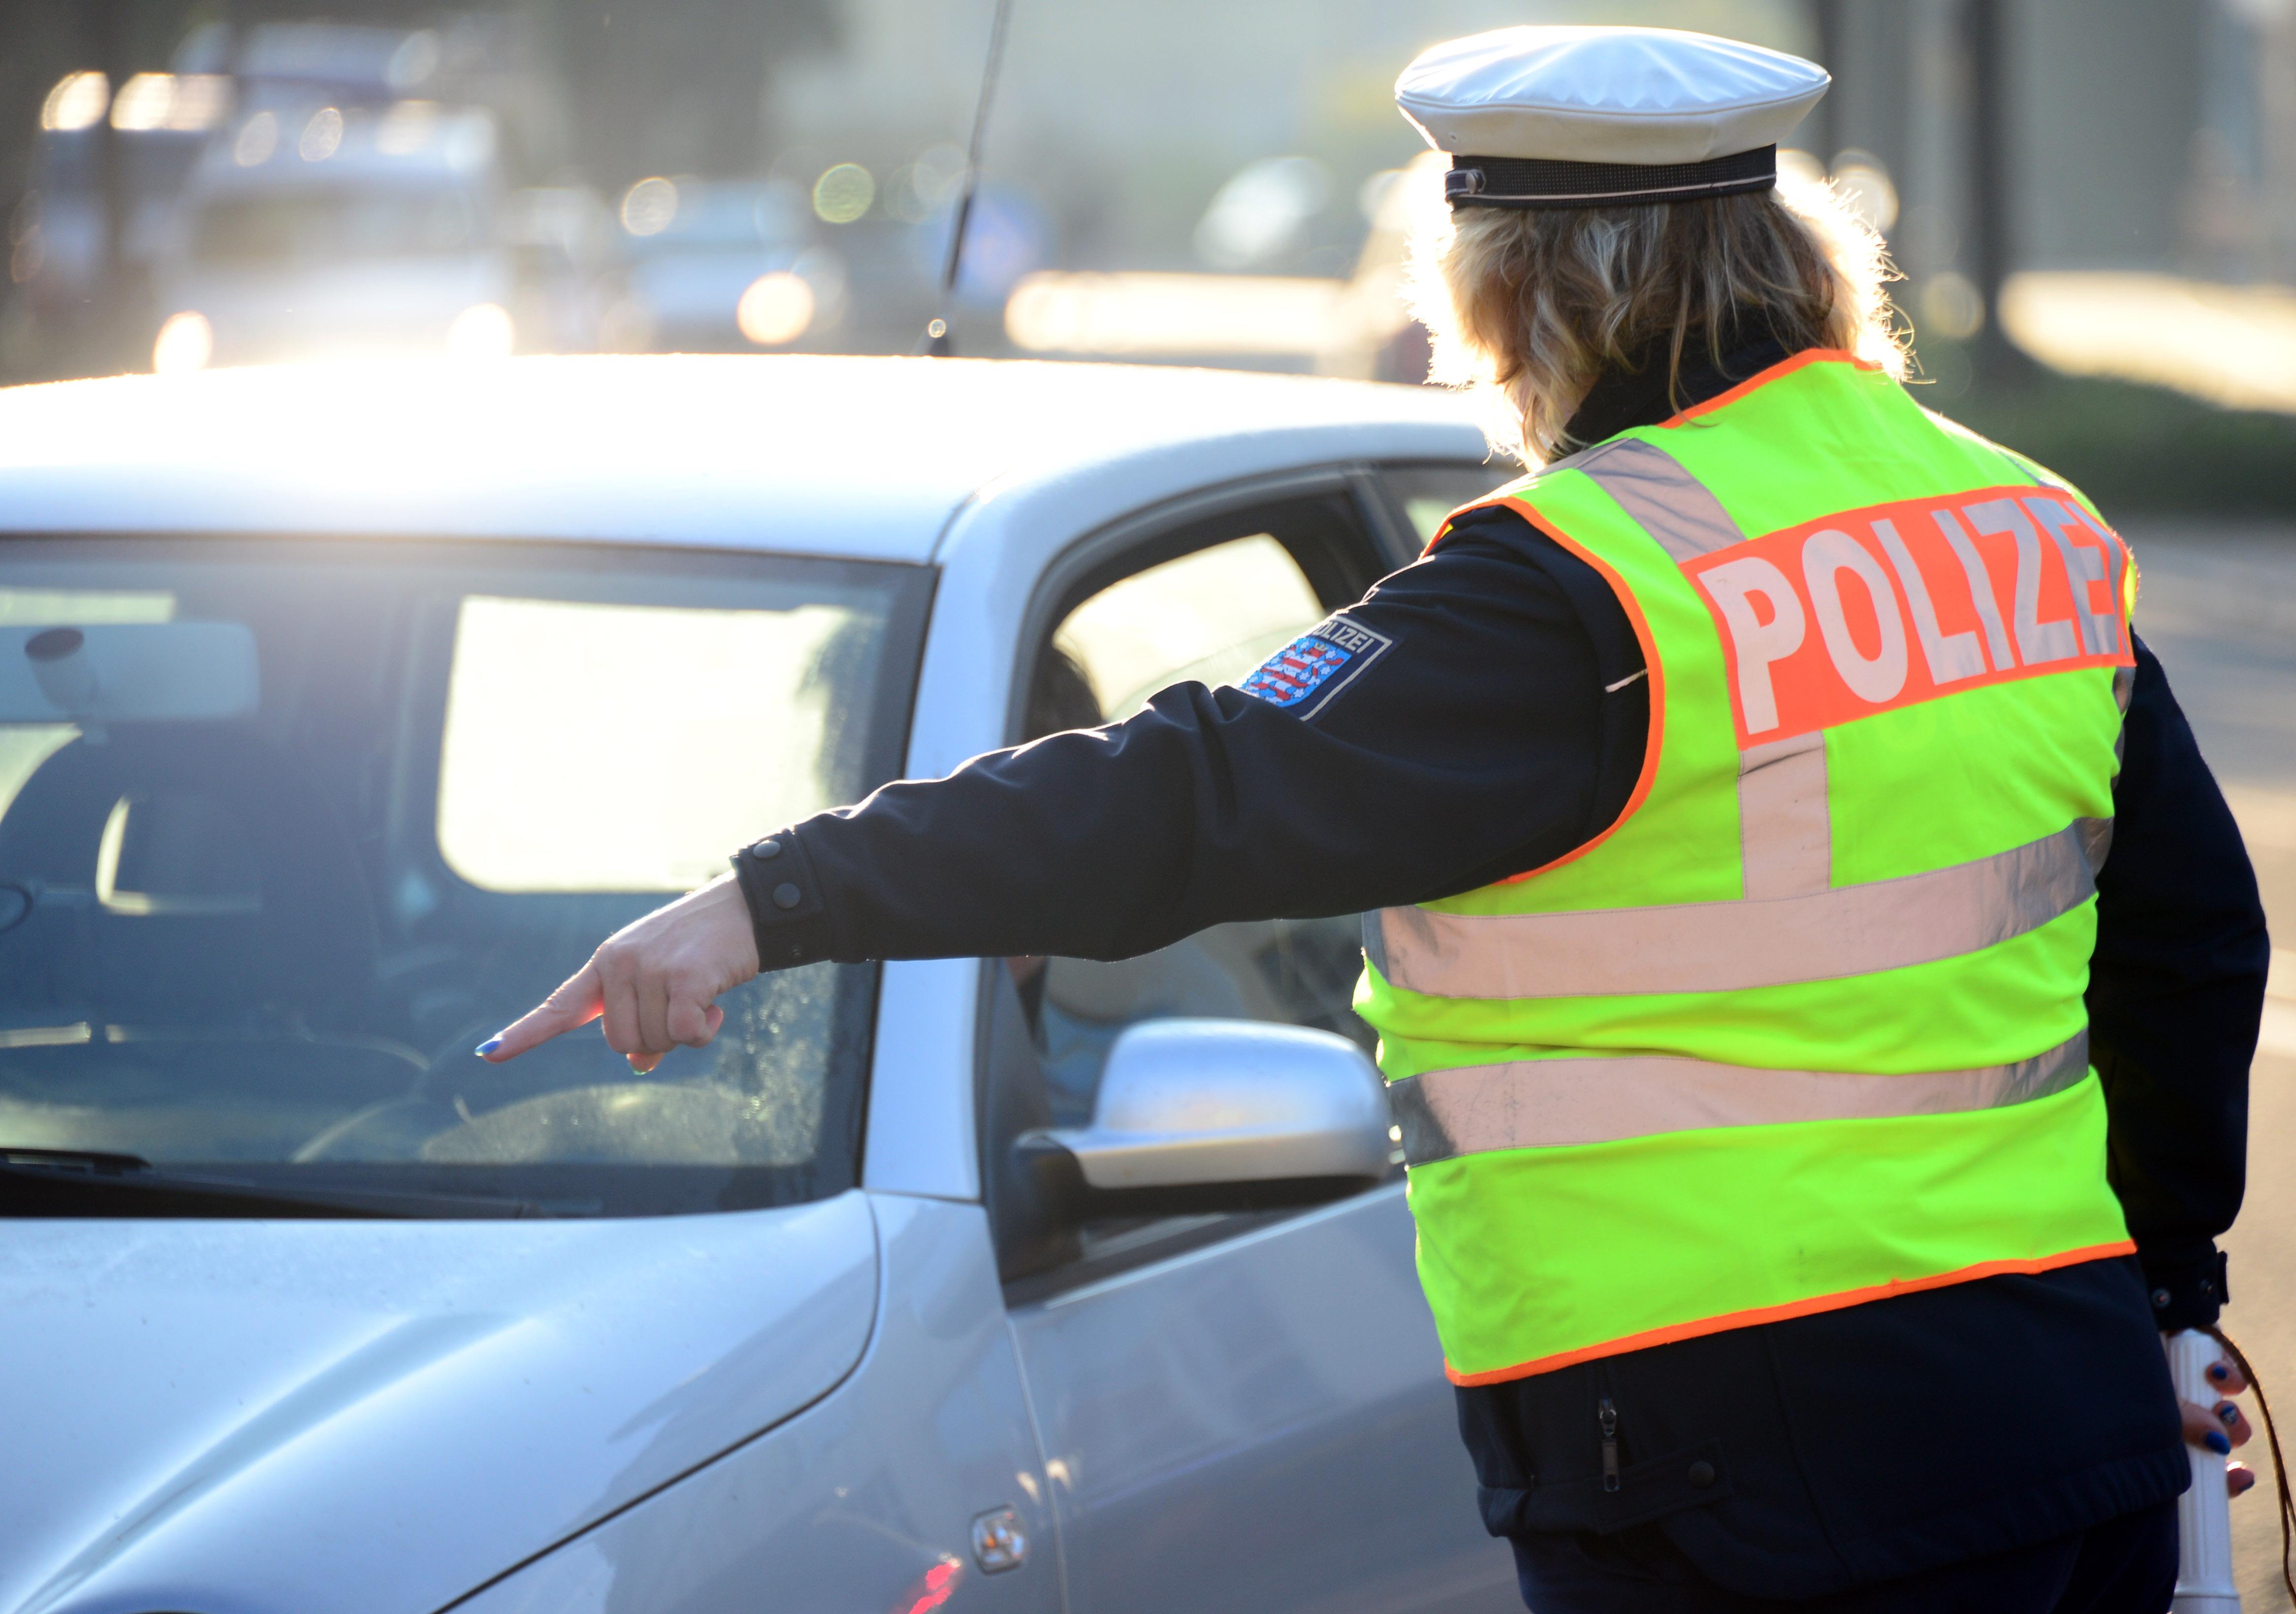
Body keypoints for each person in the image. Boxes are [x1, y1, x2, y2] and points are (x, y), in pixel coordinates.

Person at [480, 26, 2269, 1612]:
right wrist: (2168, 1291)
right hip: (2062, 1403)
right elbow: (2191, 940)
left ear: (1530, 295)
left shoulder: (1579, 586)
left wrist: (762, 902)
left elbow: (1186, 796)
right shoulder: (2018, 524)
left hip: (1743, 1462)